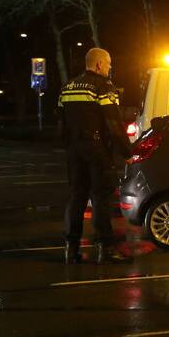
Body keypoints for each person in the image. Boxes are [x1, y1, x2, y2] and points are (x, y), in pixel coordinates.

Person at [58, 48, 133, 264]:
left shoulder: (68, 86)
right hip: (97, 149)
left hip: (74, 150)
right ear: (99, 64)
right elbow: (113, 124)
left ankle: (71, 250)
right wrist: (126, 153)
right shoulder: (104, 87)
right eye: (109, 64)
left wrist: (69, 146)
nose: (110, 68)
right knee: (100, 198)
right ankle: (106, 250)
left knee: (76, 198)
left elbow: (61, 122)